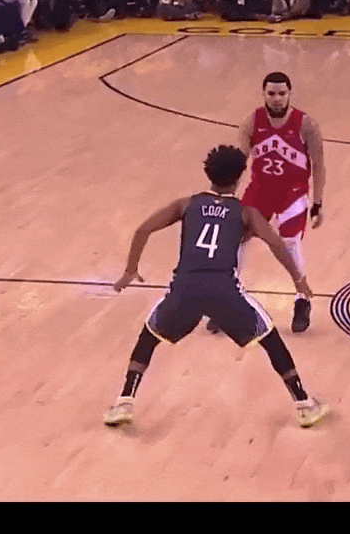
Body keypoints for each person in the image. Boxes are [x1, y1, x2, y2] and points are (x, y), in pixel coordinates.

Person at [104, 145, 329, 429]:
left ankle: (124, 401)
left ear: (208, 173)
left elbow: (143, 229)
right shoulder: (245, 212)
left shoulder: (186, 204)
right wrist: (298, 280)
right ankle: (304, 404)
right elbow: (276, 243)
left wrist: (130, 270)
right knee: (270, 339)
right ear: (240, 177)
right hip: (225, 290)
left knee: (148, 337)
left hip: (185, 288)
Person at [219, 72, 325, 334]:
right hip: (260, 190)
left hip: (293, 193)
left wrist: (318, 203)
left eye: (282, 93)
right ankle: (229, 298)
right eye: (271, 94)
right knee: (236, 238)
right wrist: (227, 192)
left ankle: (302, 300)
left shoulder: (306, 125)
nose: (277, 99)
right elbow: (239, 161)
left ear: (290, 94)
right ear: (264, 94)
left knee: (290, 243)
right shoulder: (252, 122)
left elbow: (319, 166)